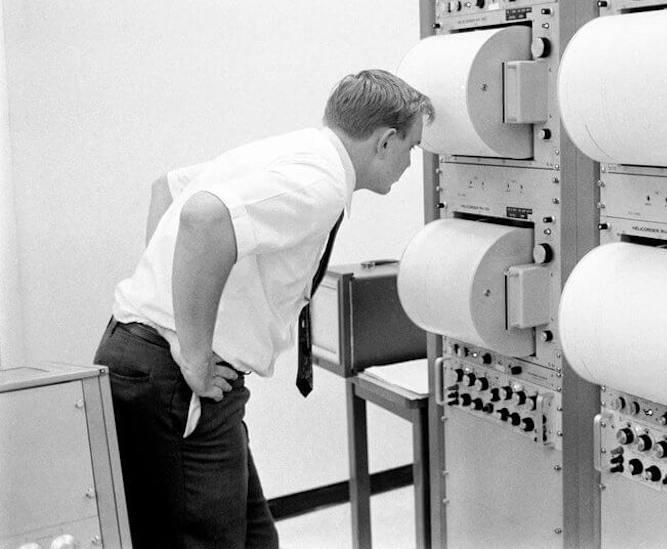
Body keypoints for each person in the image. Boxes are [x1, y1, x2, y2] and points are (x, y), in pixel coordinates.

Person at [94, 69, 434, 548]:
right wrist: (189, 351)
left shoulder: (292, 150)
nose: (410, 163)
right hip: (177, 377)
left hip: (159, 365)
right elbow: (202, 218)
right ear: (383, 141)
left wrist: (167, 309)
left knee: (255, 539)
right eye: (412, 148)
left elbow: (167, 189)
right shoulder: (321, 184)